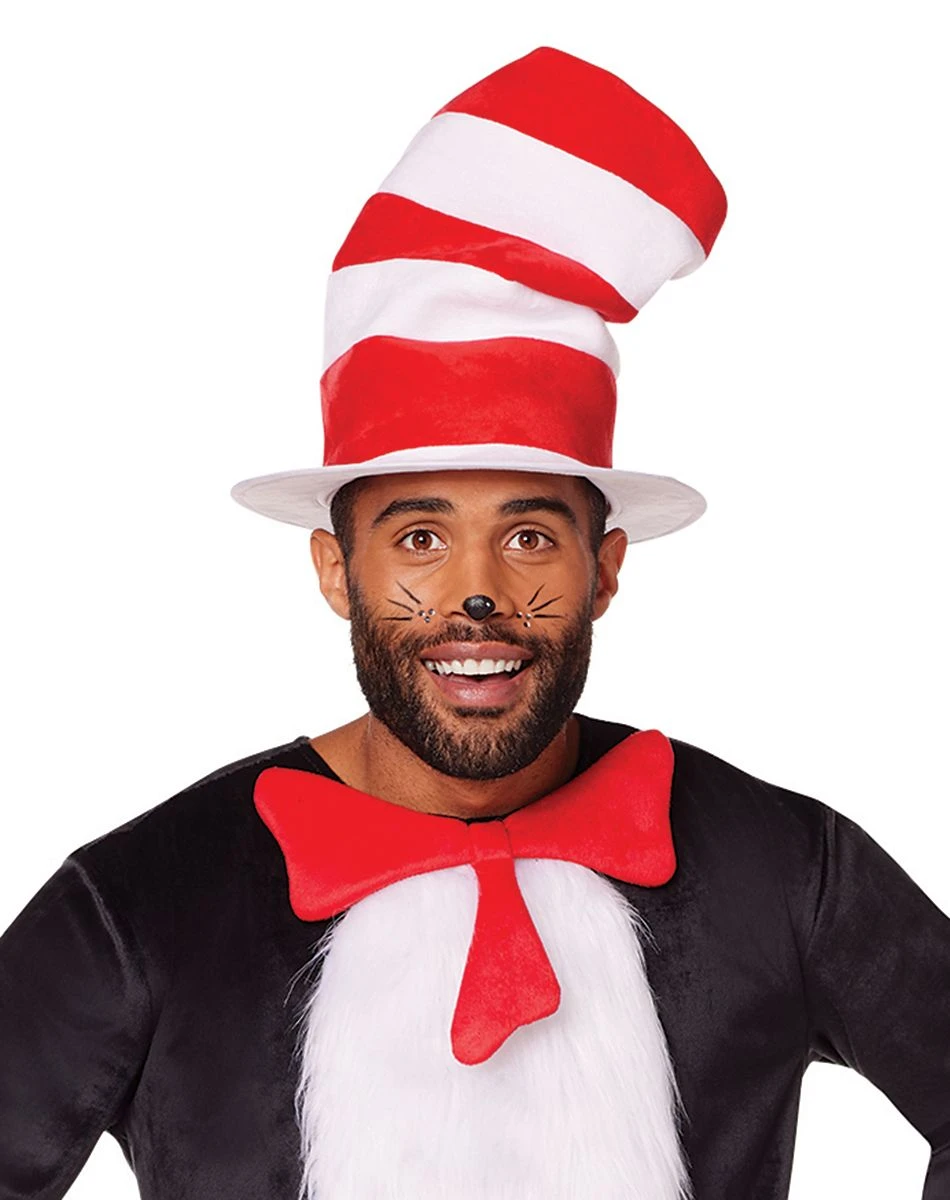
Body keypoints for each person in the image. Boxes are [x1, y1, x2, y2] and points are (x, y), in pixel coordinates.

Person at [1, 45, 948, 1200]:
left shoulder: (782, 868)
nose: (476, 593)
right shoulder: (142, 901)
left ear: (604, 569)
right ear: (335, 571)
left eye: (530, 535)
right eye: (417, 537)